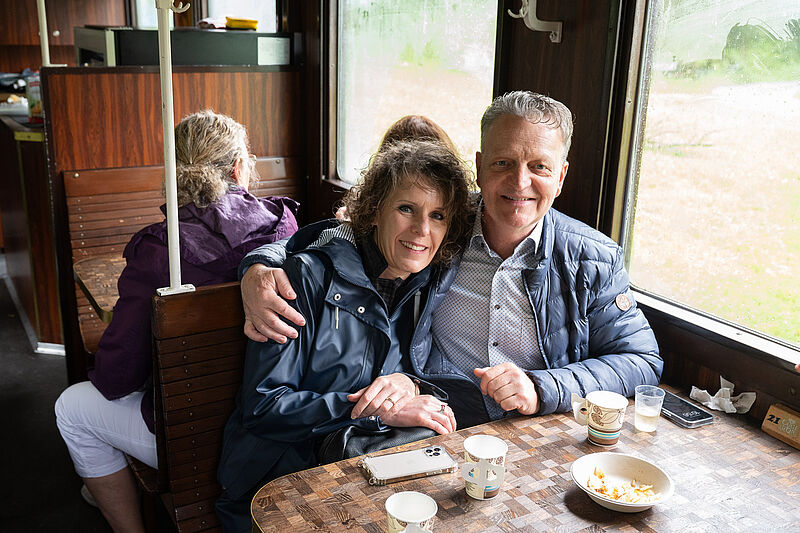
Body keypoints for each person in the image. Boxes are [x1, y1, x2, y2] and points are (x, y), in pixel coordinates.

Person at [238, 91, 662, 429]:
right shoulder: (443, 224)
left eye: (539, 167)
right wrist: (257, 266)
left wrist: (543, 387)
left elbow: (641, 361)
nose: (520, 182)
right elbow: (339, 236)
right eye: (503, 163)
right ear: (479, 166)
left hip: (538, 433)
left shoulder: (592, 258)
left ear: (561, 176)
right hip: (441, 426)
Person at [54, 110, 299, 533]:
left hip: (191, 434)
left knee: (72, 408)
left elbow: (117, 377)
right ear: (239, 167)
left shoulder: (158, 252)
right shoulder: (286, 227)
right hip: (278, 418)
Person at [215, 138, 471, 532]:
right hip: (277, 481)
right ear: (374, 210)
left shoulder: (423, 284)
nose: (422, 229)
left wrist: (409, 384)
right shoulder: (304, 278)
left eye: (438, 216)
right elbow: (263, 406)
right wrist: (374, 411)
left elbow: (411, 370)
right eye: (406, 208)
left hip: (360, 471)